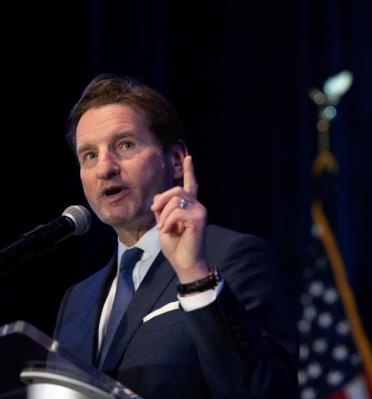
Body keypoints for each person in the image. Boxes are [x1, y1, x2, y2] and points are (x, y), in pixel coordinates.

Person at [52, 73, 297, 398]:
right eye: (89, 155)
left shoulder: (232, 258)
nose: (104, 169)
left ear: (176, 159)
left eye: (125, 145)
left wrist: (194, 276)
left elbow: (265, 393)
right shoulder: (76, 301)